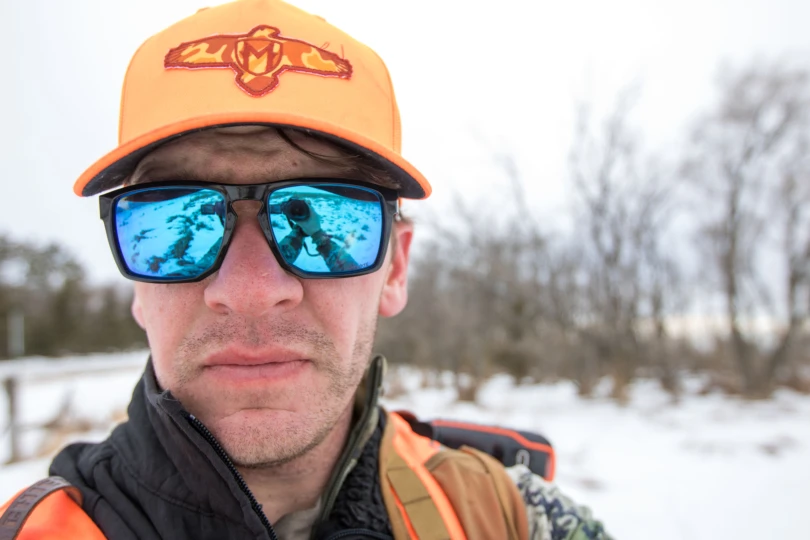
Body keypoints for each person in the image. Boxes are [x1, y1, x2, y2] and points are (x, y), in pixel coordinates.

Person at [0, 1, 612, 538]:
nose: (250, 290)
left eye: (324, 222)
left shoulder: (499, 517)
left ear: (395, 269)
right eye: (176, 225)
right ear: (136, 283)